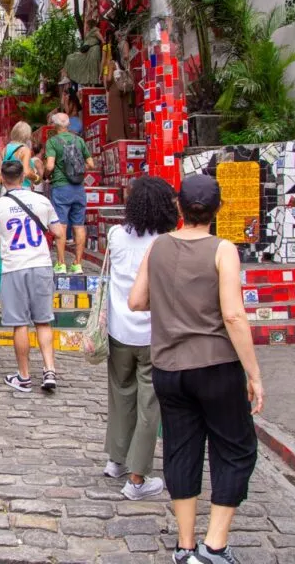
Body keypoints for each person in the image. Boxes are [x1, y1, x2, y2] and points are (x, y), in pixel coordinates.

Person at [129, 174, 264, 564]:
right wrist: (254, 374)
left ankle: (185, 545)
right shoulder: (223, 250)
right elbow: (233, 315)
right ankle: (215, 545)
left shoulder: (158, 246)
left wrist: (170, 302)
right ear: (217, 209)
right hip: (215, 365)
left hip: (169, 368)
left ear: (179, 207)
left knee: (181, 451)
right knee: (235, 448)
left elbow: (136, 301)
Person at [102, 177, 179, 501]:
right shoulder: (167, 243)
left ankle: (116, 459)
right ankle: (137, 478)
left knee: (121, 394)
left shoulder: (116, 235)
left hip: (119, 330)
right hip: (152, 333)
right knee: (149, 405)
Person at [0, 160, 64, 393]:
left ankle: (24, 376)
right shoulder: (42, 200)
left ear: (2, 178)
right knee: (43, 321)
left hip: (14, 267)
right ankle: (49, 370)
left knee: (20, 324)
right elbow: (58, 232)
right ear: (23, 177)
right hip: (41, 264)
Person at [46, 112, 95, 274]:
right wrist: (77, 169)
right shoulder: (79, 140)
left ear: (55, 125)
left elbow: (50, 166)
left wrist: (46, 175)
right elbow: (91, 164)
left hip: (61, 187)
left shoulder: (52, 142)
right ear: (68, 124)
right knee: (79, 226)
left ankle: (61, 264)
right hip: (78, 188)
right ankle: (77, 264)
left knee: (61, 225)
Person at [0, 121, 40, 195]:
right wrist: (37, 178)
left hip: (6, 189)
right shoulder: (25, 150)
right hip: (22, 188)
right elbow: (26, 172)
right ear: (27, 135)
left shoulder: (5, 149)